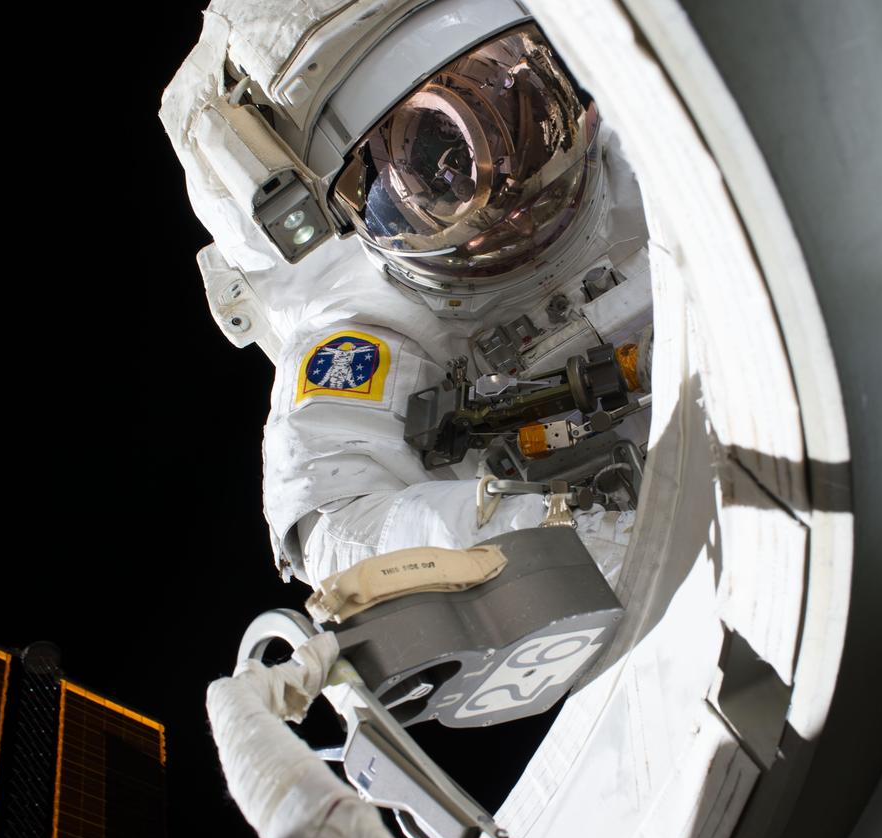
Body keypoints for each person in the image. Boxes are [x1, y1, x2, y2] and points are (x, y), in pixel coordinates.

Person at [160, 0, 651, 591]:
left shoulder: (647, 155)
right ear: (343, 203)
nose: (496, 168)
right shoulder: (363, 328)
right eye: (424, 152)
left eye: (502, 88)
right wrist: (572, 535)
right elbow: (340, 528)